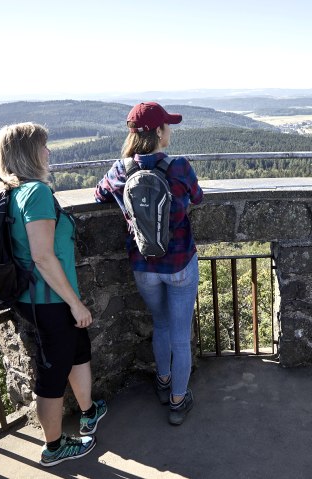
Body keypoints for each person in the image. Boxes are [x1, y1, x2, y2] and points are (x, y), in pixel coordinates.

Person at [0, 123, 107, 467]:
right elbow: (42, 255)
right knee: (53, 372)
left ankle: (88, 412)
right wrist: (75, 303)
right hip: (49, 302)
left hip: (35, 299)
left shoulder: (11, 192)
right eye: (44, 147)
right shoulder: (36, 194)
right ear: (30, 153)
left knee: (76, 352)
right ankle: (54, 448)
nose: (49, 152)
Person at [95, 102, 203, 425]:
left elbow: (99, 193)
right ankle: (178, 402)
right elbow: (197, 197)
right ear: (158, 132)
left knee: (161, 324)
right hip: (181, 264)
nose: (169, 130)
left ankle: (163, 382)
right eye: (167, 126)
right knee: (181, 336)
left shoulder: (121, 169)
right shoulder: (179, 167)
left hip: (144, 267)